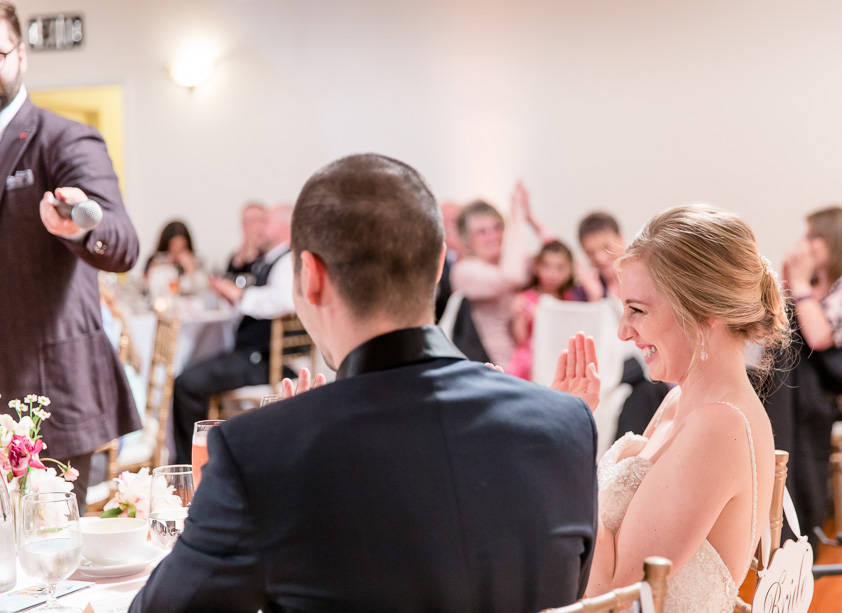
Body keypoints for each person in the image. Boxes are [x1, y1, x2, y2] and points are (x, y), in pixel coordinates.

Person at [130, 154, 597, 612]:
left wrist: (294, 439)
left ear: (309, 276)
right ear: (439, 266)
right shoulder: (566, 423)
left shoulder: (259, 453)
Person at [558, 204, 786, 612]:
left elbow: (614, 596)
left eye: (638, 311)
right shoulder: (680, 400)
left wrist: (568, 438)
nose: (623, 330)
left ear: (702, 314)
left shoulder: (718, 426)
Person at [0, 1, 140, 511]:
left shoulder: (61, 138)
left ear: (21, 54)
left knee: (48, 561)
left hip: (47, 396)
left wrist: (86, 223)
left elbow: (122, 240)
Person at [764, 205, 842, 543]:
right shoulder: (817, 287)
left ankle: (793, 519)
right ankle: (787, 515)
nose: (805, 243)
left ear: (836, 240)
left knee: (786, 385)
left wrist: (798, 284)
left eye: (814, 236)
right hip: (809, 395)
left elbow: (818, 337)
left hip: (841, 398)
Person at [170, 204, 295, 464]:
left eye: (266, 222)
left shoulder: (288, 261)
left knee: (186, 384)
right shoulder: (269, 260)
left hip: (263, 358)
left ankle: (191, 466)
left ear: (283, 227)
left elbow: (283, 301)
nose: (260, 229)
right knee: (192, 371)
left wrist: (240, 295)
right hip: (252, 353)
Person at [576, 210, 670, 440]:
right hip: (613, 378)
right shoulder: (586, 290)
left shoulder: (649, 277)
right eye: (591, 252)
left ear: (621, 238)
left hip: (651, 373)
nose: (599, 257)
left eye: (605, 247)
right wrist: (595, 299)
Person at [450, 184, 548, 368]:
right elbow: (512, 278)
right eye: (481, 231)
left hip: (528, 362)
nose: (492, 236)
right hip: (494, 368)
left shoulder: (510, 263)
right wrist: (517, 220)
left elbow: (556, 257)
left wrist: (530, 218)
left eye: (497, 227)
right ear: (467, 240)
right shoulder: (464, 271)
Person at [507, 240, 581, 379]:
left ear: (570, 270)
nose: (552, 274)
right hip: (529, 359)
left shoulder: (570, 300)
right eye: (546, 266)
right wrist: (520, 317)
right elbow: (520, 340)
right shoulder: (525, 299)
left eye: (560, 268)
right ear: (536, 267)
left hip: (557, 356)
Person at [226, 201, 267, 276]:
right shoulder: (237, 255)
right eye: (245, 221)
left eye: (254, 220)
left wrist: (251, 256)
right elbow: (229, 277)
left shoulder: (271, 254)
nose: (248, 226)